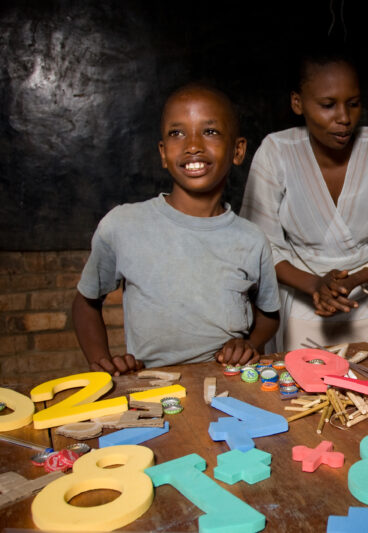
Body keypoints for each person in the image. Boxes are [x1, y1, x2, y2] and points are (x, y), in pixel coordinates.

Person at [73, 84, 280, 375]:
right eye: (177, 133)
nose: (192, 145)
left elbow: (270, 314)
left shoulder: (252, 239)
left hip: (229, 386)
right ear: (163, 153)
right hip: (153, 387)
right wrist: (102, 363)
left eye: (210, 131)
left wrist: (250, 344)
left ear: (238, 150)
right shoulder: (123, 225)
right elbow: (85, 303)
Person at [240, 50, 368, 353]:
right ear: (297, 103)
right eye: (328, 105)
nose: (344, 118)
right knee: (298, 393)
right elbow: (258, 245)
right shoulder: (276, 152)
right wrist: (314, 286)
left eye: (353, 104)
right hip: (299, 306)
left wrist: (353, 280)